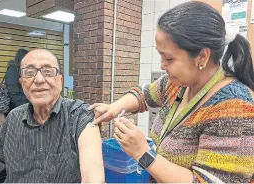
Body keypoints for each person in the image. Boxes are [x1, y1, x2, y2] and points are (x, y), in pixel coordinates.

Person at [89, 2, 254, 183]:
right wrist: (113, 108)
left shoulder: (233, 107)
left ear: (202, 56)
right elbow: (143, 96)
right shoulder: (179, 84)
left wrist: (143, 153)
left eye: (169, 58)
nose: (162, 65)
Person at [0, 49, 105, 183]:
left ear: (60, 81)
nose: (38, 79)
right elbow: (1, 162)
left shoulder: (80, 115)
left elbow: (93, 179)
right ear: (21, 83)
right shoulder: (13, 118)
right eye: (29, 72)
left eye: (48, 72)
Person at [4, 48, 29, 117]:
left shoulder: (21, 70)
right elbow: (13, 92)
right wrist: (22, 107)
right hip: (16, 108)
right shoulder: (13, 70)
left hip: (23, 106)